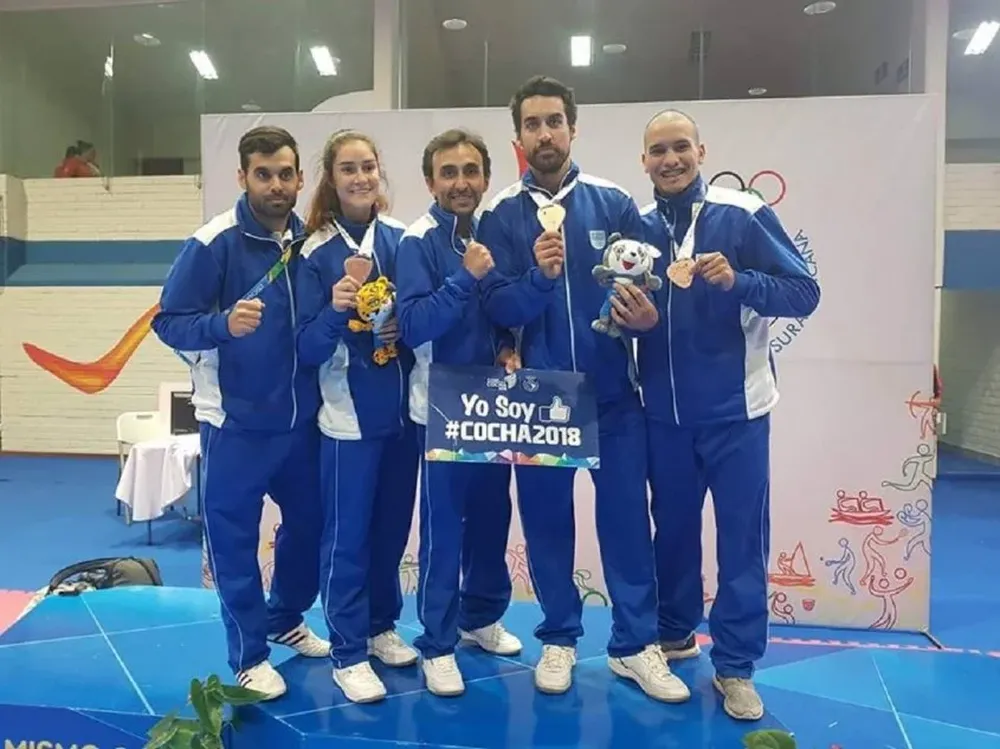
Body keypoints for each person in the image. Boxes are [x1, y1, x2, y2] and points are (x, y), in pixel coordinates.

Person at [476, 75, 689, 703]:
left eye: (555, 122)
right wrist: (540, 279)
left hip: (613, 395)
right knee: (546, 525)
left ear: (573, 127)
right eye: (533, 124)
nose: (545, 133)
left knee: (626, 522)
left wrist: (642, 314)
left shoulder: (614, 201)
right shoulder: (501, 213)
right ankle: (560, 638)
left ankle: (633, 646)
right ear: (518, 136)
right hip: (540, 401)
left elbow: (645, 283)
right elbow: (494, 306)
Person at [636, 109, 821, 720]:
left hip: (737, 414)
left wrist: (740, 281)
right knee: (675, 538)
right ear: (644, 162)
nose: (670, 159)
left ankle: (736, 666)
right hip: (663, 416)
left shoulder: (740, 212)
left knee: (741, 543)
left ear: (701, 151)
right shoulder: (636, 230)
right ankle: (676, 634)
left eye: (680, 147)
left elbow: (803, 292)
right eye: (658, 150)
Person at [151, 125, 329, 700]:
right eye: (263, 174)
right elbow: (168, 321)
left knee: (310, 528)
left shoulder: (313, 243)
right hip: (236, 426)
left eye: (285, 174)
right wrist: (220, 327)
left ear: (301, 179)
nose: (276, 185)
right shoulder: (213, 242)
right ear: (243, 177)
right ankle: (250, 654)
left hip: (302, 423)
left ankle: (285, 617)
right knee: (233, 542)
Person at [395, 128, 524, 697]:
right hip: (441, 406)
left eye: (470, 171)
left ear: (485, 179)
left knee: (492, 521)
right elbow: (416, 325)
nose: (461, 182)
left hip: (491, 405)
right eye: (449, 173)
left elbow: (497, 312)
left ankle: (480, 618)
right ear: (430, 181)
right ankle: (437, 643)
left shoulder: (490, 233)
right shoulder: (417, 241)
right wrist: (463, 275)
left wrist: (505, 346)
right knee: (444, 532)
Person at [295, 129, 420, 704]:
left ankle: (379, 626)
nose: (361, 177)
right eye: (348, 168)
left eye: (368, 166)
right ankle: (347, 648)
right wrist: (332, 312)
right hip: (347, 419)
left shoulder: (403, 240)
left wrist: (403, 328)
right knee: (347, 536)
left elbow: (421, 318)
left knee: (392, 530)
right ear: (331, 178)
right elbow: (304, 347)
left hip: (404, 415)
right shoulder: (314, 251)